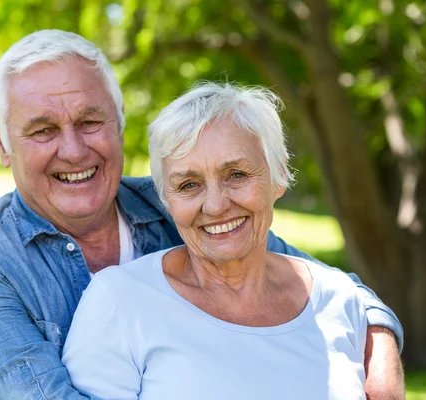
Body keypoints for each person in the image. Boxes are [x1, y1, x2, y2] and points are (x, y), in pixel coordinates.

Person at [0, 29, 403, 400]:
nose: (74, 150)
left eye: (90, 122)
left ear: (120, 123)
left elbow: (326, 287)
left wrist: (379, 368)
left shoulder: (177, 202)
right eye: (43, 130)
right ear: (1, 143)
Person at [61, 82, 370, 399]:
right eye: (189, 184)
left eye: (236, 174)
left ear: (279, 176)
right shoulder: (120, 302)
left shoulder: (339, 299)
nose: (216, 205)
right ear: (166, 199)